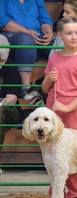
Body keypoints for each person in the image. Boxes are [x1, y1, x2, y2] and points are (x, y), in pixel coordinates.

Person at [42, 16, 77, 198]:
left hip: (73, 109)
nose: (74, 37)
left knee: (74, 152)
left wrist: (67, 107)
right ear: (60, 35)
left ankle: (75, 194)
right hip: (53, 108)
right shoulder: (54, 57)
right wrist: (50, 78)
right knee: (52, 154)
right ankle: (56, 193)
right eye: (69, 33)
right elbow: (44, 88)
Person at [0, 34, 44, 174]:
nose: (1, 62)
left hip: (8, 110)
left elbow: (11, 99)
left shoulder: (10, 67)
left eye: (2, 60)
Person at [0, 0, 54, 96]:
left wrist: (49, 34)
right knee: (26, 40)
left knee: (57, 44)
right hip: (12, 36)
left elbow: (45, 20)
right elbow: (3, 21)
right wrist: (27, 31)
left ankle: (51, 85)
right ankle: (26, 88)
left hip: (37, 36)